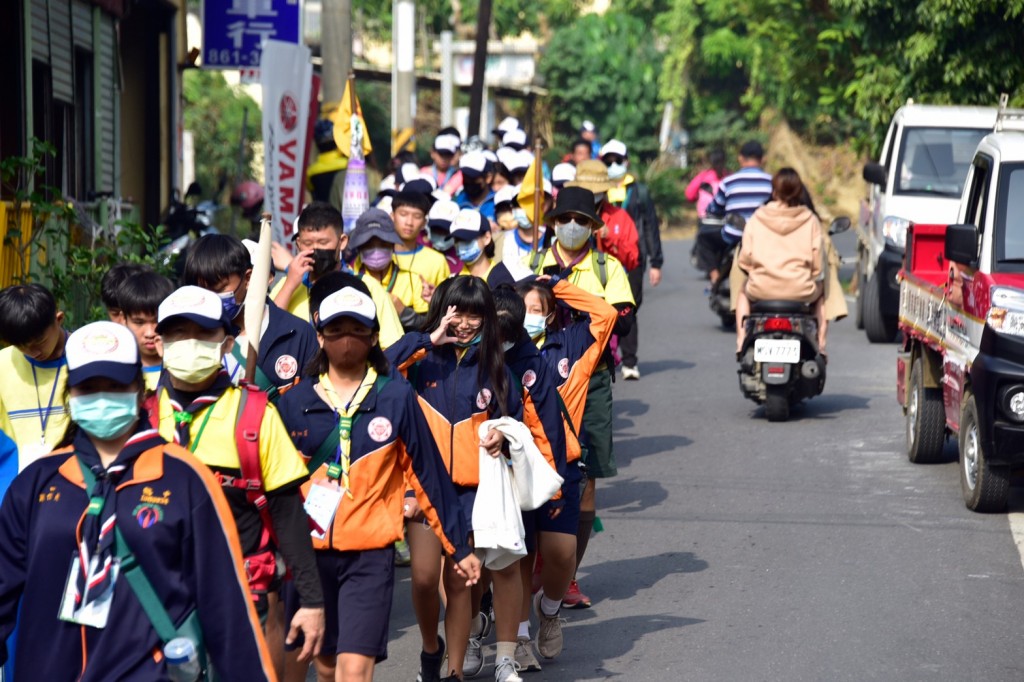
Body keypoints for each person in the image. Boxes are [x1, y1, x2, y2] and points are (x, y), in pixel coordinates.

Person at [0, 321, 276, 678]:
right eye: (89, 387)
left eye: (114, 386)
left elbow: (226, 605)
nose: (102, 397)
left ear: (138, 389)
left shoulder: (184, 478)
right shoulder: (38, 482)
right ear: (71, 393)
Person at [276, 274, 481, 682]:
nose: (346, 339)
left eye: (357, 330)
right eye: (336, 330)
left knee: (355, 670)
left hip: (370, 554)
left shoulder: (395, 396)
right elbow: (276, 489)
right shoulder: (294, 401)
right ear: (319, 336)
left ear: (373, 338)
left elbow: (428, 476)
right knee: (326, 664)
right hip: (308, 556)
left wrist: (458, 546)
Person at [150, 285, 325, 675]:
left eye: (202, 334)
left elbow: (288, 517)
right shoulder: (140, 417)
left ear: (227, 343)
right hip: (158, 597)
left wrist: (312, 603)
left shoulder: (256, 416)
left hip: (246, 596)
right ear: (159, 344)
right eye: (177, 335)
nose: (189, 344)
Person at [385, 277, 525, 682]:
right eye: (457, 311)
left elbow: (516, 421)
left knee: (461, 583)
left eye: (474, 314)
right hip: (423, 490)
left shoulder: (495, 365)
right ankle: (432, 649)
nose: (464, 322)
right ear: (443, 310)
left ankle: (454, 672)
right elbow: (376, 370)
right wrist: (430, 338)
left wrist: (503, 434)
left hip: (473, 494)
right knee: (426, 579)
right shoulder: (422, 357)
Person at [525, 186, 635, 609]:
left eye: (581, 221)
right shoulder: (532, 264)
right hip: (532, 378)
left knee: (584, 482)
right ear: (553, 222)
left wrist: (571, 292)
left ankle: (566, 576)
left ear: (592, 227)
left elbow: (620, 323)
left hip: (591, 382)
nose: (572, 227)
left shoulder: (607, 268)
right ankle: (531, 564)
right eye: (565, 219)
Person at [492, 286, 572, 672]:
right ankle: (519, 637)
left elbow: (548, 431)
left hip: (550, 471)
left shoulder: (533, 363)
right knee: (518, 558)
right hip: (504, 476)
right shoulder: (477, 356)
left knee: (560, 553)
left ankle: (551, 609)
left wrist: (553, 487)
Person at [183, 233, 320, 400]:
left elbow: (313, 406)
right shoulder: (185, 338)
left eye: (218, 289)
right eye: (202, 291)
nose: (210, 298)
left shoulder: (298, 335)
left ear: (248, 278)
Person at [271, 201, 404, 348]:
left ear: (342, 242)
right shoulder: (287, 285)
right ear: (298, 244)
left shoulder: (369, 287)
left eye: (323, 242)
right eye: (308, 244)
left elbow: (395, 347)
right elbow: (266, 332)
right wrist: (290, 285)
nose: (315, 250)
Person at [734, 168, 825, 354]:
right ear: (799, 192)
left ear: (774, 191)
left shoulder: (757, 218)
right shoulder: (810, 220)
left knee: (742, 292)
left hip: (761, 289)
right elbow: (817, 267)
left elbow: (744, 260)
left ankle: (741, 339)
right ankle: (821, 344)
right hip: (801, 291)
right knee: (822, 293)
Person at [601, 139, 664, 380]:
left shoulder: (639, 191)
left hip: (632, 259)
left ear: (626, 162)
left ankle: (629, 361)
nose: (613, 165)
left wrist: (656, 263)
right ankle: (606, 357)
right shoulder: (599, 191)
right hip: (603, 260)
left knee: (629, 307)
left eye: (618, 161)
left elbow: (650, 227)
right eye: (608, 161)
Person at [0, 284, 70, 466]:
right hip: (15, 486)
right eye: (21, 346)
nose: (33, 352)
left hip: (75, 482)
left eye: (40, 341)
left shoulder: (87, 357)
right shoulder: (2, 364)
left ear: (59, 319)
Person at [701, 140, 773, 283]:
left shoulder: (729, 182)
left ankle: (715, 277)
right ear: (762, 159)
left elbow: (714, 208)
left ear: (740, 158)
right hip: (765, 236)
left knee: (703, 238)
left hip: (735, 236)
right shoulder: (772, 182)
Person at [115, 269, 175, 391]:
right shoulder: (116, 369)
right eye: (139, 322)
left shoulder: (184, 368)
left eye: (157, 321)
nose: (150, 333)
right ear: (123, 320)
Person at [451, 209, 498, 279]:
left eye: (467, 239)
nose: (461, 245)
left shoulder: (502, 280)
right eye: (457, 240)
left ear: (487, 238)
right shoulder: (453, 281)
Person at [454, 151, 498, 225]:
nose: (468, 181)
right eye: (465, 177)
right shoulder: (457, 201)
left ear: (488, 178)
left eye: (473, 178)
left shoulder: (498, 202)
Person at [685, 148, 727, 219]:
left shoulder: (703, 176)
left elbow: (689, 195)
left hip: (705, 219)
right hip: (725, 219)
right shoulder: (730, 177)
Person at [422, 128, 464, 197]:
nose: (444, 158)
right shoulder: (424, 173)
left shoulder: (458, 174)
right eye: (441, 154)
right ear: (432, 153)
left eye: (448, 154)